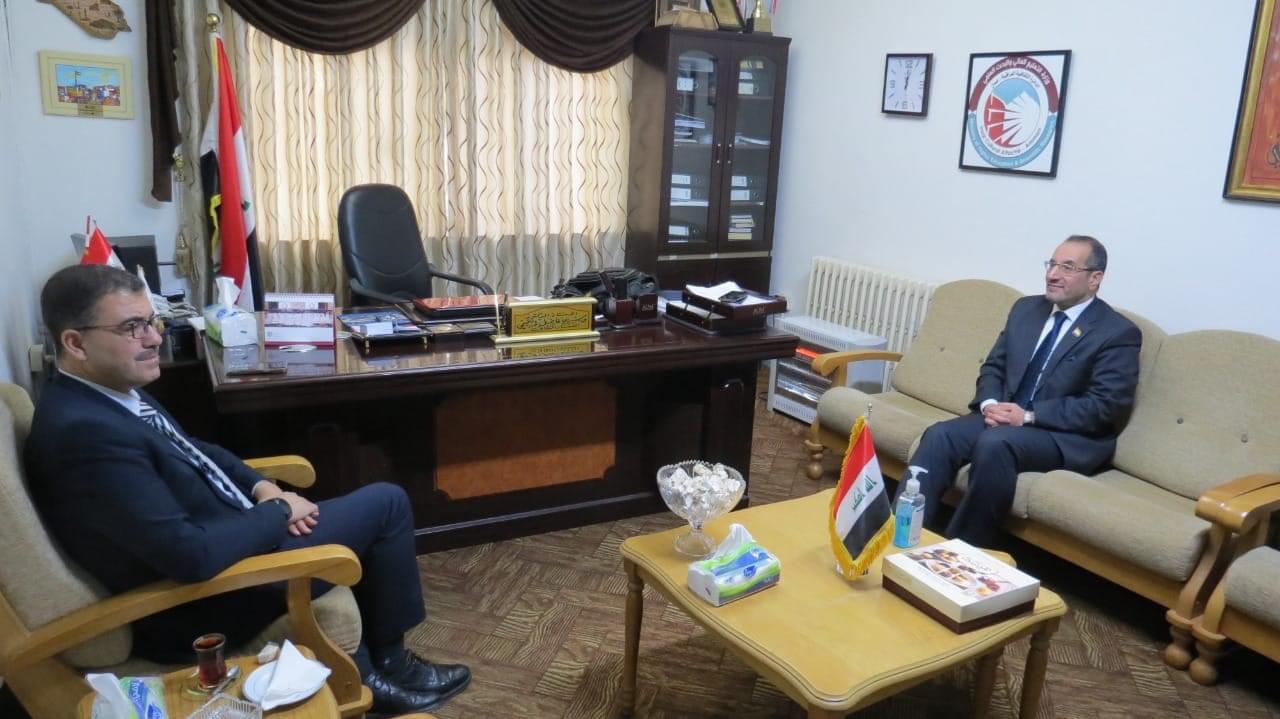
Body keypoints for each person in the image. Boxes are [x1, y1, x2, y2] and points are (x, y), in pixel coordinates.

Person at [25, 264, 470, 714]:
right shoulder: (85, 436)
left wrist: (262, 488)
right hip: (205, 597)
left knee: (373, 504)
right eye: (132, 327)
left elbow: (195, 450)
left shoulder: (105, 393)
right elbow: (190, 555)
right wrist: (278, 514)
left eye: (151, 321)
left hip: (232, 537)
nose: (155, 338)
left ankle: (382, 665)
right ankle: (386, 669)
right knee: (387, 504)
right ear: (75, 343)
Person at [899, 235, 1141, 547]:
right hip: (1005, 416)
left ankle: (964, 552)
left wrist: (1027, 416)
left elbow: (1104, 407)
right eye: (1052, 264)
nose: (1053, 274)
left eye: (1067, 267)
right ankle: (899, 536)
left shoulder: (1117, 332)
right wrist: (989, 403)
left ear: (1095, 278)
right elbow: (994, 366)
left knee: (996, 443)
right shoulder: (1027, 309)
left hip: (1060, 434)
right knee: (940, 435)